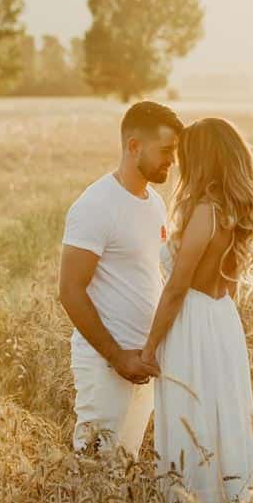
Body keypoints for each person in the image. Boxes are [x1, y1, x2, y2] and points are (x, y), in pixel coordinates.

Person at [140, 117, 253, 503]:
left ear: (202, 159)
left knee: (192, 423)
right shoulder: (236, 212)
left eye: (185, 156)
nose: (179, 164)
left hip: (193, 323)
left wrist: (149, 348)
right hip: (223, 320)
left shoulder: (206, 211)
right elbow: (227, 283)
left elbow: (177, 288)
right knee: (224, 417)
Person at [58, 101, 183, 457]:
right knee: (94, 473)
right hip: (106, 364)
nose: (171, 161)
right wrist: (116, 357)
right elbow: (70, 291)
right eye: (166, 151)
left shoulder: (155, 203)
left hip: (143, 360)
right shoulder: (96, 204)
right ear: (133, 146)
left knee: (122, 471)